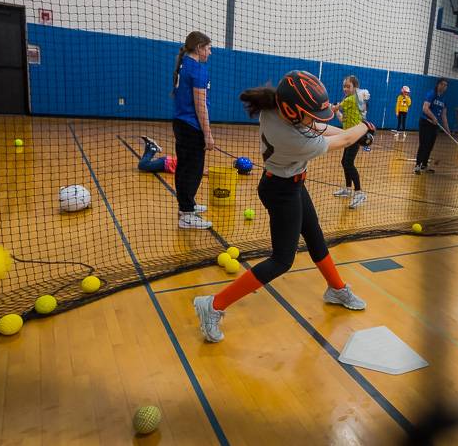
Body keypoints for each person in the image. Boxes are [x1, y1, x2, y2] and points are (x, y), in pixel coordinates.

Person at [192, 70, 373, 343]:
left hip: (290, 184)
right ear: (291, 110)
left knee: (314, 236)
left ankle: (336, 288)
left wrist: (354, 133)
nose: (312, 118)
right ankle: (213, 305)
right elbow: (340, 139)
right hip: (282, 191)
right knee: (281, 260)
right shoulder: (295, 141)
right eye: (308, 113)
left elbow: (320, 126)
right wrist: (364, 128)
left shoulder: (276, 109)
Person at [172, 31, 213, 230]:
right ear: (199, 48)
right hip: (192, 127)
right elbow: (200, 105)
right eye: (208, 48)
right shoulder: (198, 70)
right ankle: (187, 215)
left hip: (180, 124)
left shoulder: (183, 64)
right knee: (192, 171)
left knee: (184, 168)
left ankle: (186, 206)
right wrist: (208, 133)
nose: (210, 52)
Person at [331, 75, 367, 209]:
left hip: (355, 136)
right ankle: (348, 189)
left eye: (348, 86)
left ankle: (359, 193)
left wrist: (330, 107)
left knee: (348, 163)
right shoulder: (348, 100)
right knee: (344, 162)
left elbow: (334, 108)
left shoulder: (351, 100)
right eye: (344, 86)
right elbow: (343, 120)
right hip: (348, 135)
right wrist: (337, 113)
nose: (345, 88)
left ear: (355, 87)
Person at [414, 78, 449, 174]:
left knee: (430, 146)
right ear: (438, 84)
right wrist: (433, 118)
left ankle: (424, 165)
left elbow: (444, 115)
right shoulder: (431, 94)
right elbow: (425, 108)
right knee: (423, 145)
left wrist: (447, 130)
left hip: (434, 125)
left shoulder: (444, 99)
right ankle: (417, 166)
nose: (444, 86)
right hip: (426, 122)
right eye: (442, 84)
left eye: (446, 85)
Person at [137, 136, 208, 176]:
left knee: (145, 164)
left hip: (165, 165)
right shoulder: (192, 162)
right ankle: (153, 149)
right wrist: (204, 172)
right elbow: (195, 171)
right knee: (142, 165)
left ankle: (149, 146)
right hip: (165, 163)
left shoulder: (194, 161)